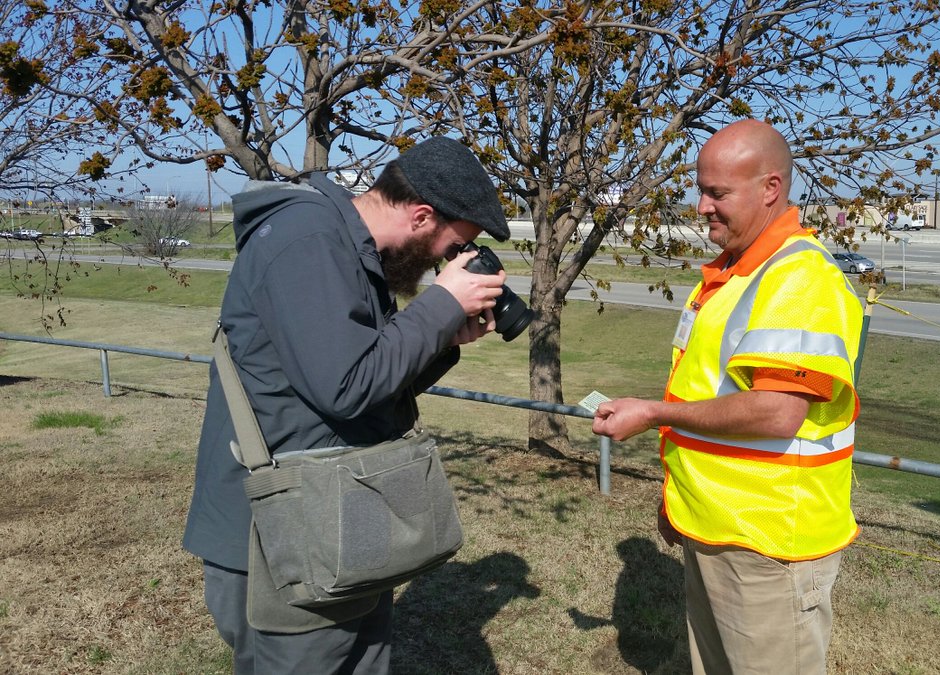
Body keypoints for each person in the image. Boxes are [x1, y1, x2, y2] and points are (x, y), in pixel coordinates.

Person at [182, 136, 511, 673]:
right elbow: (347, 386)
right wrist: (442, 305)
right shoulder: (307, 240)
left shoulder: (350, 250)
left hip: (335, 521)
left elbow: (366, 384)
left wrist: (444, 338)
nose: (445, 261)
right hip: (280, 535)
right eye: (453, 246)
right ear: (422, 215)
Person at [592, 119, 864, 675]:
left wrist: (653, 413)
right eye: (701, 190)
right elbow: (710, 399)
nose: (701, 207)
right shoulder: (734, 273)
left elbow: (777, 411)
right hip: (719, 527)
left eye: (717, 193)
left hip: (768, 544)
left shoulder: (800, 279)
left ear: (771, 188)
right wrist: (680, 501)